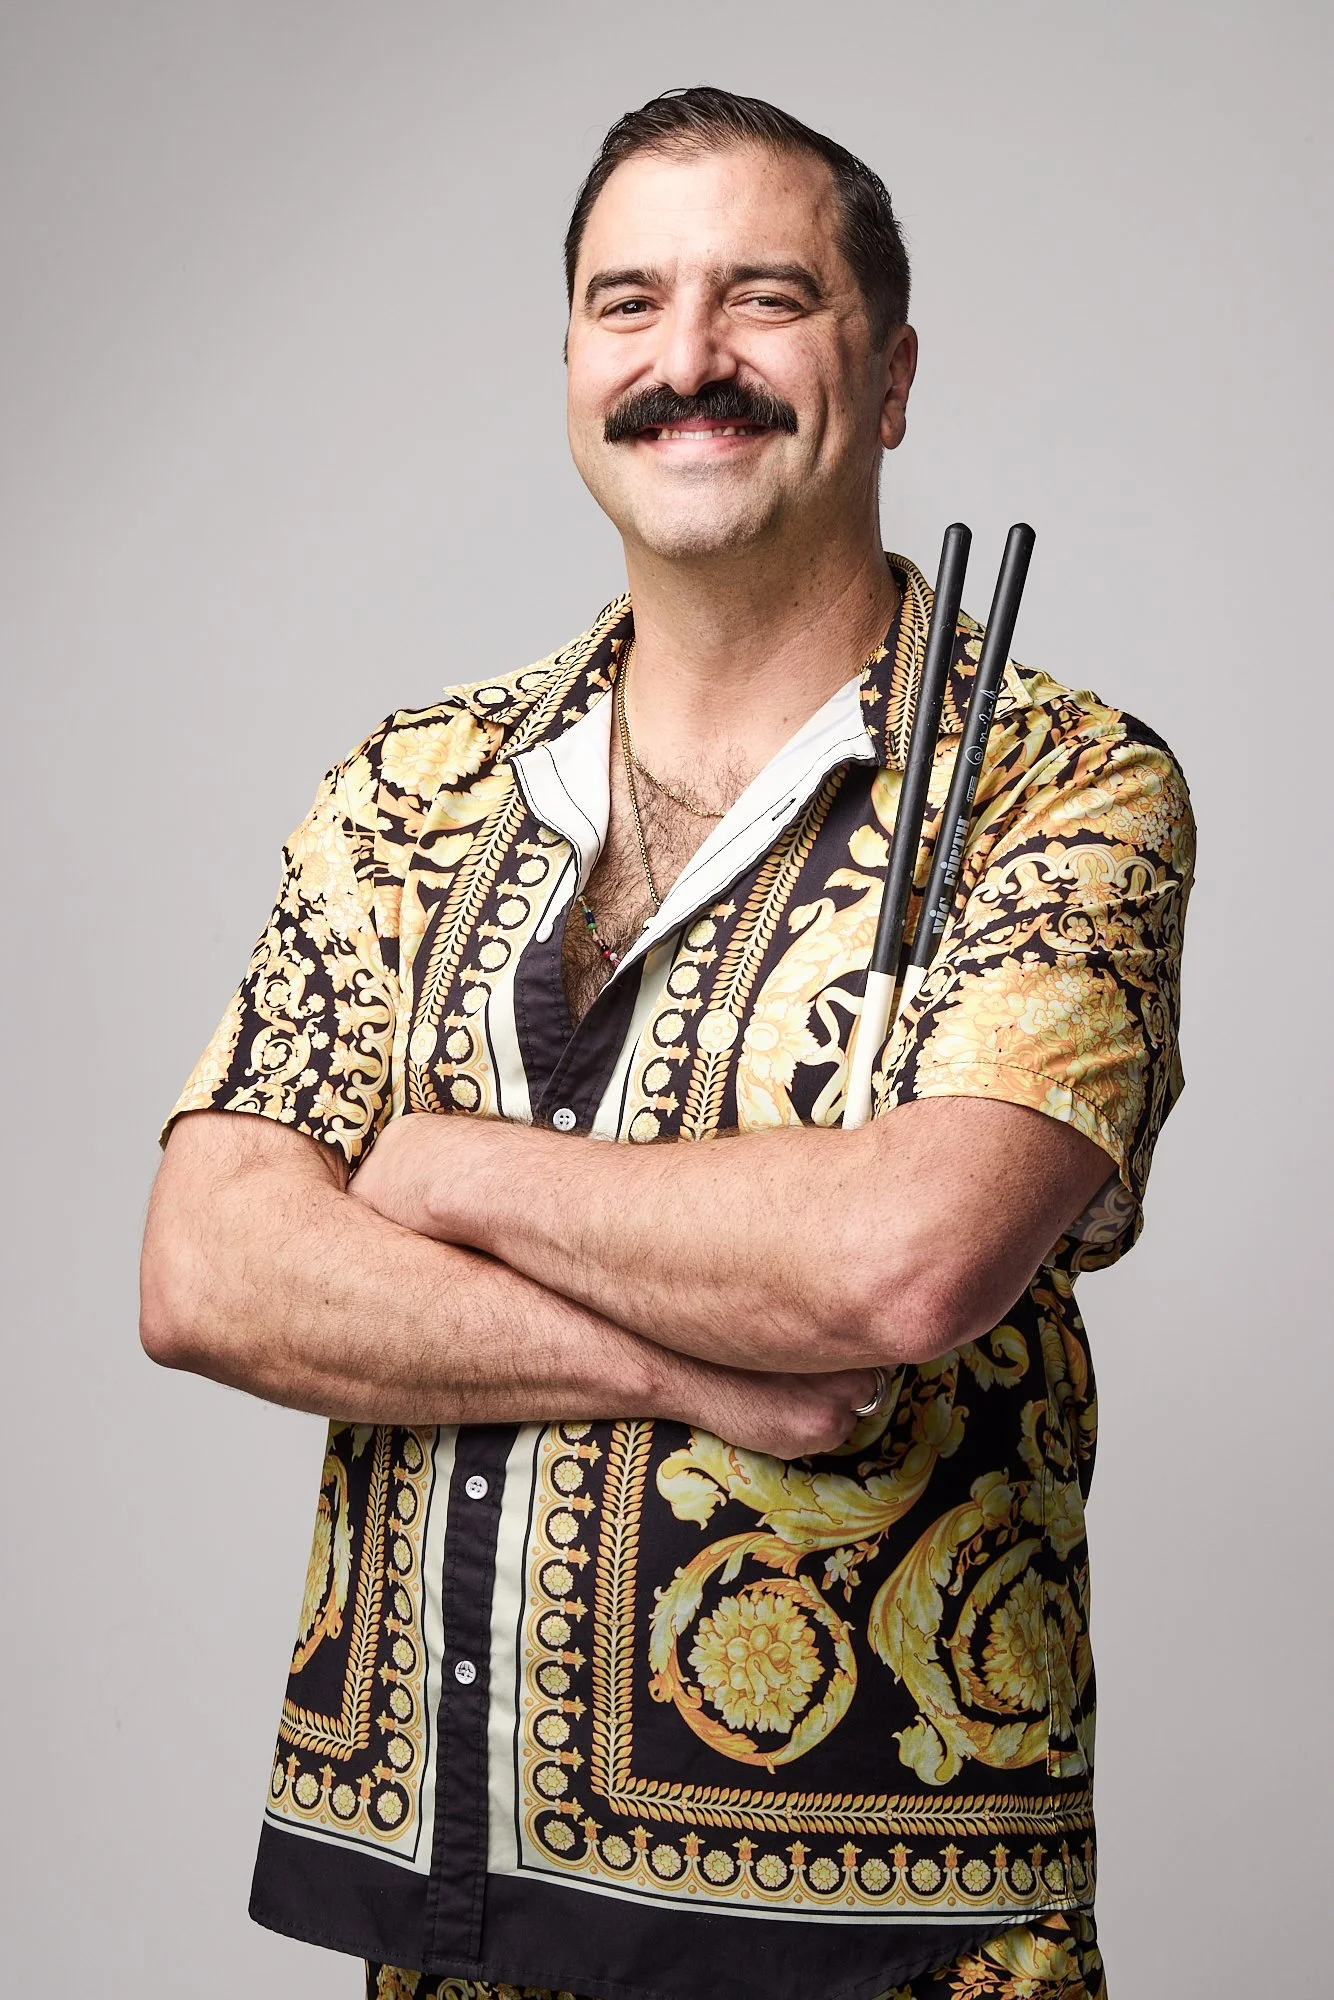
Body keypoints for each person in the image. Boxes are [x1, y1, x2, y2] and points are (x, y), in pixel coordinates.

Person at [141, 87, 1193, 2000]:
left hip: (892, 1934)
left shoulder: (1064, 785)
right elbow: (208, 1266)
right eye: (626, 303)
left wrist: (447, 1170)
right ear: (567, 363)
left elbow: (905, 1255)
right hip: (456, 1918)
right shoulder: (411, 790)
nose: (684, 361)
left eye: (762, 298)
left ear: (884, 379)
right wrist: (699, 1362)